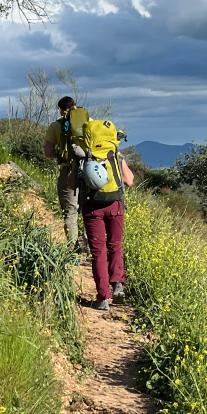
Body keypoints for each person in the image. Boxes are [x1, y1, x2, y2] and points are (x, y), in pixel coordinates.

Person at [72, 146, 134, 311]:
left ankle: (103, 298)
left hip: (92, 207)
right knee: (115, 245)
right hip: (115, 205)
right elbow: (129, 181)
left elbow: (71, 184)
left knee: (98, 251)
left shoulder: (82, 155)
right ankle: (118, 285)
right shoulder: (115, 153)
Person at [44, 96, 81, 248]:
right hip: (90, 169)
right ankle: (92, 250)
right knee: (89, 210)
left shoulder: (55, 126)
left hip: (68, 170)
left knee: (70, 212)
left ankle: (73, 250)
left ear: (59, 109)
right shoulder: (88, 121)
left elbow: (48, 153)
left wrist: (62, 154)